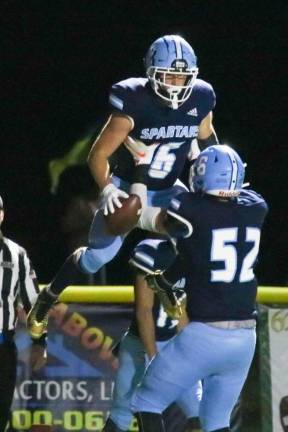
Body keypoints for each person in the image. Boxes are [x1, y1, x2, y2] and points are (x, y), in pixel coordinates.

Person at [27, 33, 218, 339]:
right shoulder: (134, 100)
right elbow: (98, 155)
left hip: (169, 186)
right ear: (152, 72)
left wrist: (215, 168)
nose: (175, 85)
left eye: (182, 78)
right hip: (128, 187)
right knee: (96, 259)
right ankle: (47, 298)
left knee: (204, 229)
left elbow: (206, 136)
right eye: (168, 76)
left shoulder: (201, 96)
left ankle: (164, 281)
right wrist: (106, 188)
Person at [128, 145, 268, 432]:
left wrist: (143, 170)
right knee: (215, 422)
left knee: (145, 401)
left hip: (205, 334)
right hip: (245, 338)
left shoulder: (190, 210)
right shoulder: (256, 207)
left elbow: (147, 215)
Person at [102, 239, 202, 432]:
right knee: (121, 416)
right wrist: (154, 357)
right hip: (139, 345)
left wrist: (191, 352)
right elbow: (144, 310)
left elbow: (181, 312)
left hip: (173, 343)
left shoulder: (196, 254)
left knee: (200, 414)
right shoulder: (152, 251)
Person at [0, 195, 47, 431]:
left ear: (1, 215)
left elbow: (33, 301)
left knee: (1, 413)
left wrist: (40, 341)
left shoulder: (16, 254)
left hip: (3, 346)